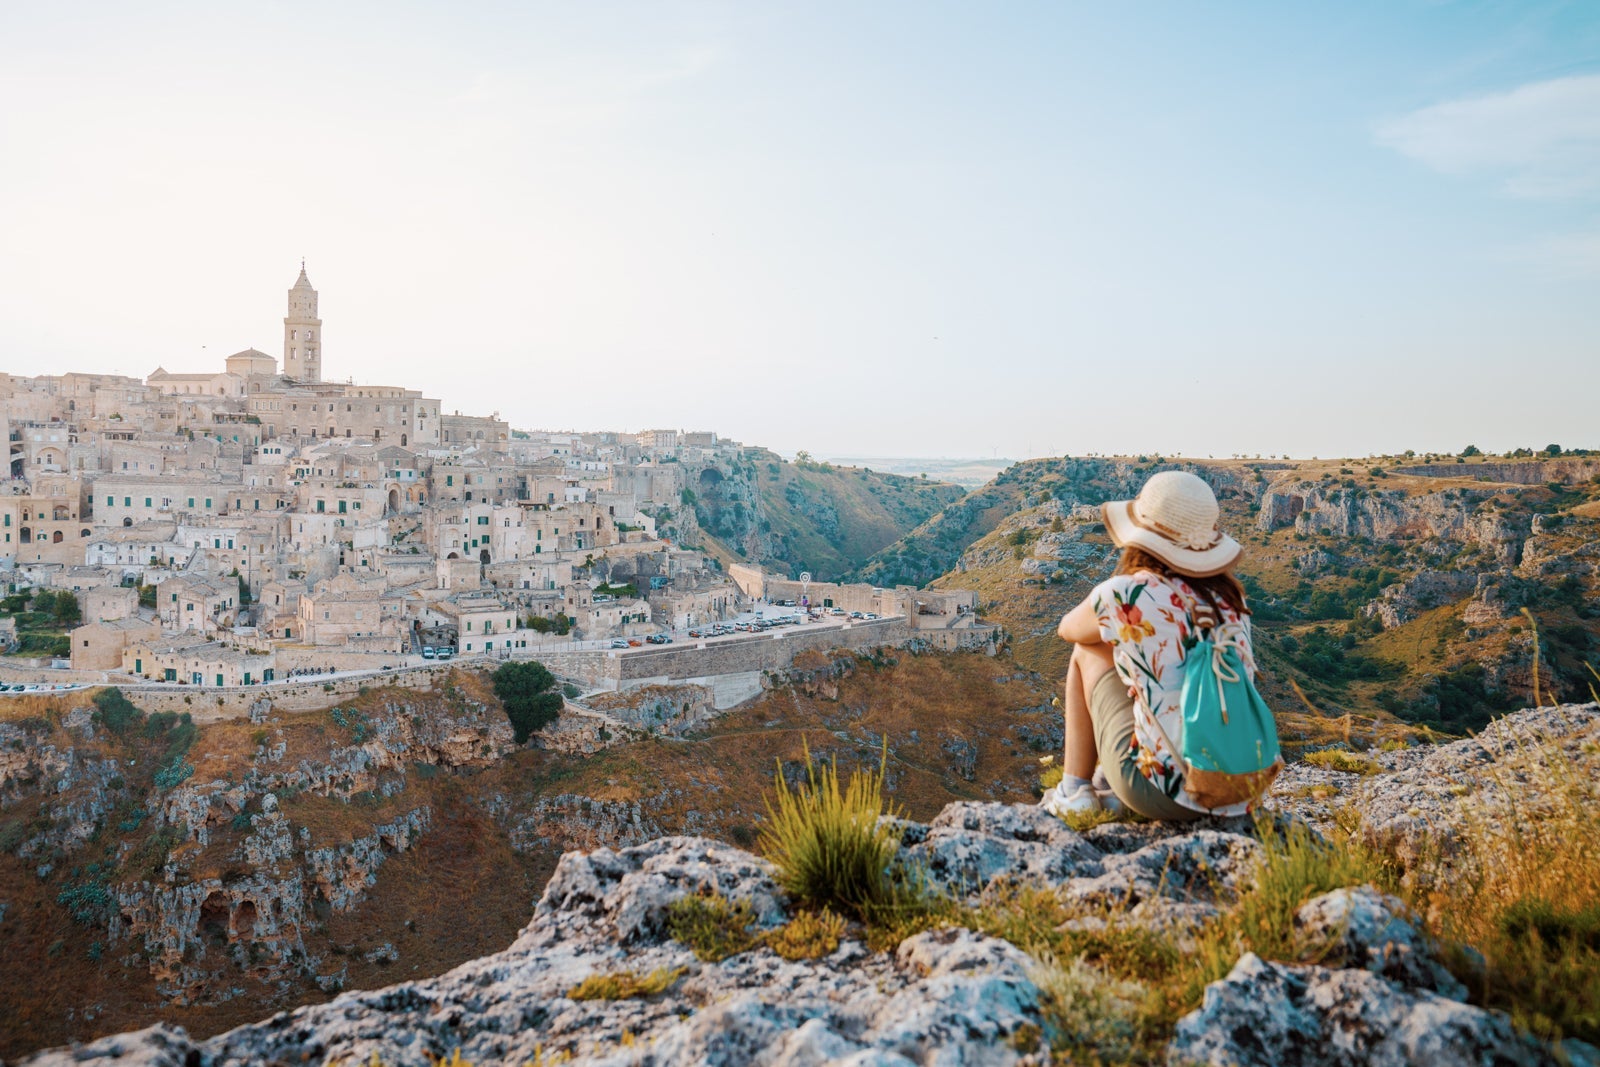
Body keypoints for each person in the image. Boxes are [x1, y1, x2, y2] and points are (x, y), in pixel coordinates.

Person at [1043, 470, 1260, 820]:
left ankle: (1074, 790)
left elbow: (1068, 629)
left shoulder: (1129, 592)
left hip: (1165, 792)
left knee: (1087, 650)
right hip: (1239, 788)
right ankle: (1108, 786)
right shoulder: (1232, 599)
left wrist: (1122, 648)